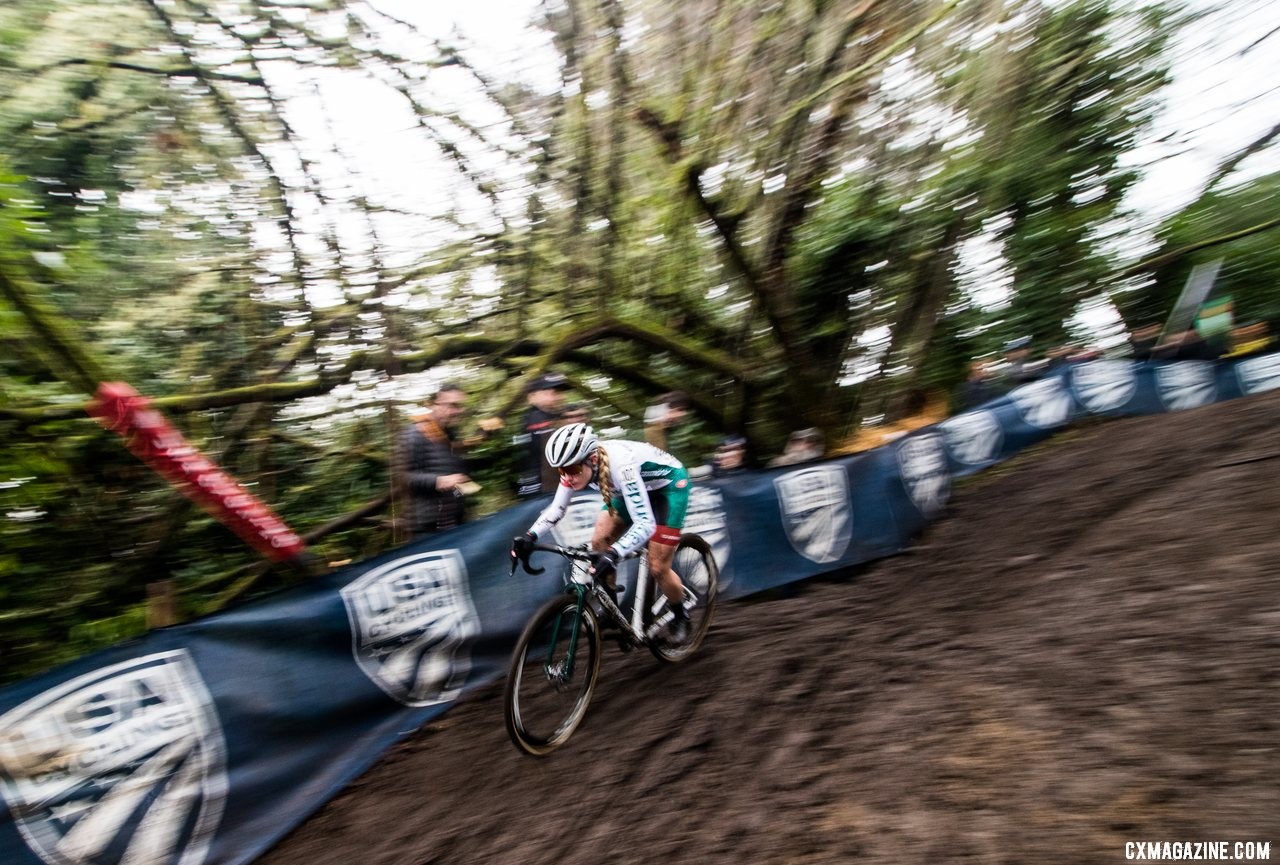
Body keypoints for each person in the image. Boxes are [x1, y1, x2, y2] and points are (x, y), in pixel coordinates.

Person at [510, 424, 694, 643]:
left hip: (669, 487)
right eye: (561, 471)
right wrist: (530, 536)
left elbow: (645, 524)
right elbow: (557, 509)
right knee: (599, 541)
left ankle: (680, 614)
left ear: (593, 460)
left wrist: (615, 553)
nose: (568, 477)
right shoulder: (576, 467)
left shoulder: (621, 466)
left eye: (573, 470)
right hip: (630, 490)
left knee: (657, 566)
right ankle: (612, 612)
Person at [397, 383, 478, 539]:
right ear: (435, 404)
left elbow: (452, 473)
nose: (458, 411)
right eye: (453, 405)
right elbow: (402, 477)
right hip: (427, 529)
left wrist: (464, 484)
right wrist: (438, 481)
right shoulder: (414, 434)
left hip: (455, 524)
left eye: (460, 406)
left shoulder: (451, 434)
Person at [515, 371, 572, 499]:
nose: (558, 397)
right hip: (543, 491)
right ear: (532, 397)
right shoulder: (535, 419)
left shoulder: (556, 417)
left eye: (560, 392)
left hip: (554, 489)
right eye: (550, 392)